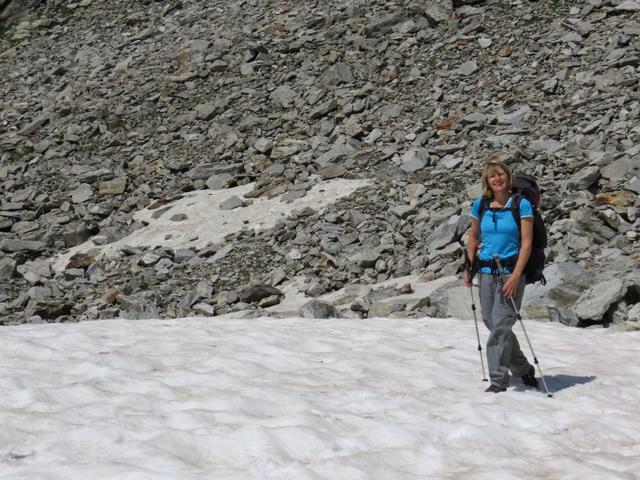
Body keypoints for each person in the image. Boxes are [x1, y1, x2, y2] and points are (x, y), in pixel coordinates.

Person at [463, 160, 539, 393]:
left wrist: (516, 276)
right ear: (487, 181)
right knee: (491, 322)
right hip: (486, 271)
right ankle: (523, 368)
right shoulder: (481, 204)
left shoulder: (521, 204)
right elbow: (473, 236)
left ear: (508, 177)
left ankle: (498, 380)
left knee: (501, 324)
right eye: (492, 176)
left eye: (501, 174)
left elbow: (527, 243)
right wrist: (469, 266)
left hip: (510, 273)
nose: (497, 179)